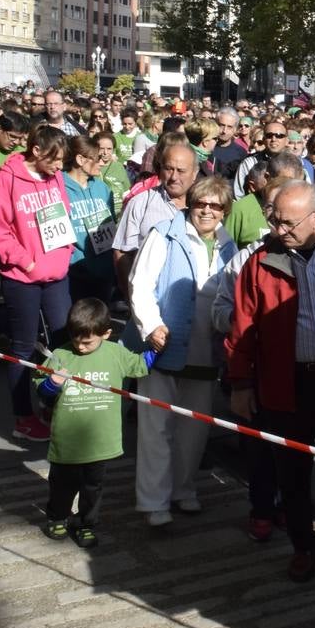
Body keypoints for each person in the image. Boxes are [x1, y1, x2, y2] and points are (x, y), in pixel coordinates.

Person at [225, 180, 315, 595]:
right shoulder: (261, 261)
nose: (278, 229)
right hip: (286, 381)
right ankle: (303, 547)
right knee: (293, 474)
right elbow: (243, 327)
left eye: (288, 222)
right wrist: (240, 384)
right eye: (275, 220)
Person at [125, 176, 237, 526]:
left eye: (215, 205)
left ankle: (183, 490)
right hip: (166, 345)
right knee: (157, 427)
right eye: (201, 203)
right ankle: (154, 502)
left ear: (224, 211)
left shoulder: (228, 244)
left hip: (206, 349)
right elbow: (139, 284)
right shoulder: (165, 233)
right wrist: (151, 325)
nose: (206, 210)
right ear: (191, 203)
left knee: (194, 428)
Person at [36, 299, 155, 548]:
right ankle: (57, 516)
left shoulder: (115, 353)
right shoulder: (59, 355)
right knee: (61, 485)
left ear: (107, 333)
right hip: (66, 442)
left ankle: (86, 523)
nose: (80, 346)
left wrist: (159, 348)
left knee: (93, 488)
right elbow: (42, 393)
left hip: (100, 441)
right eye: (75, 339)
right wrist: (52, 383)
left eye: (87, 341)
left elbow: (141, 365)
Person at [0, 126, 75, 442]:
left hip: (56, 273)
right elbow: (1, 230)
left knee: (63, 339)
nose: (60, 168)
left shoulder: (55, 177)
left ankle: (50, 401)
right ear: (36, 151)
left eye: (63, 162)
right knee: (23, 346)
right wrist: (27, 261)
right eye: (55, 161)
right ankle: (23, 417)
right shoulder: (7, 179)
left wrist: (64, 253)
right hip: (21, 278)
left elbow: (63, 214)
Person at [112, 142, 199, 299]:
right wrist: (131, 297)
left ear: (194, 173)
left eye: (181, 171)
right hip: (148, 301)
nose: (174, 177)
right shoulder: (140, 203)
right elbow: (122, 252)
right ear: (160, 170)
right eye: (168, 169)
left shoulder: (204, 208)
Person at [61, 135, 117, 305]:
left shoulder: (103, 188)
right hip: (75, 272)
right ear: (80, 159)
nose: (102, 161)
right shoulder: (59, 188)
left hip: (103, 272)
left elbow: (111, 224)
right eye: (97, 157)